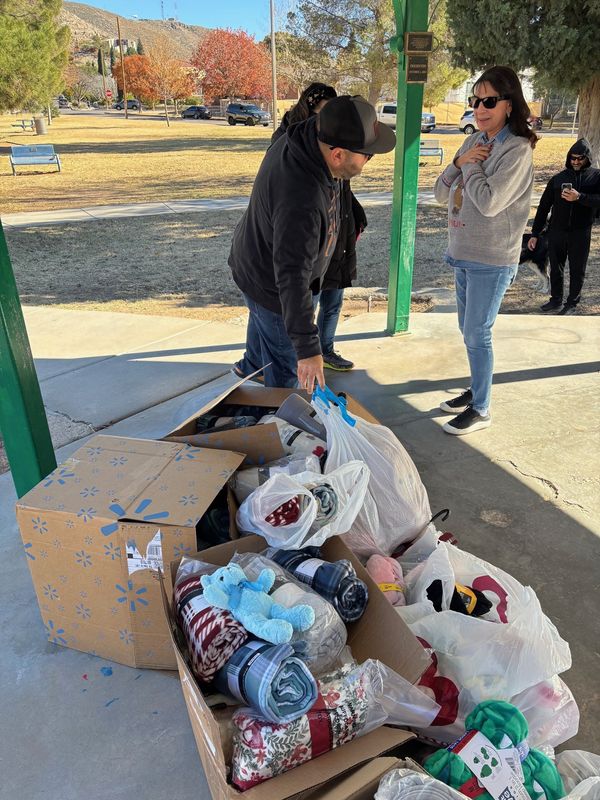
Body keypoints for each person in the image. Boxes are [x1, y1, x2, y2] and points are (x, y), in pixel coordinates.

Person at [229, 95, 395, 391]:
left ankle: (252, 367)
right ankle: (279, 423)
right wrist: (307, 349)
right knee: (289, 376)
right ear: (338, 154)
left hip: (254, 265)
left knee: (264, 338)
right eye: (366, 155)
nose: (369, 161)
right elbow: (292, 277)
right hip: (273, 288)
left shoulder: (308, 136)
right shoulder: (301, 200)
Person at [434, 66, 537, 435]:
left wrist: (471, 167)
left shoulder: (516, 149)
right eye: (475, 100)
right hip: (462, 251)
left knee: (478, 332)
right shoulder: (471, 141)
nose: (480, 108)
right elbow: (440, 192)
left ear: (509, 104)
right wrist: (459, 163)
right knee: (468, 329)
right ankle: (477, 388)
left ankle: (481, 408)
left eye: (489, 101)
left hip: (491, 258)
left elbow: (490, 202)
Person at [271, 83, 368, 371]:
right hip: (278, 273)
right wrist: (307, 350)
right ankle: (300, 361)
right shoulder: (303, 188)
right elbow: (293, 273)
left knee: (332, 299)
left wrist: (352, 220)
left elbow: (343, 194)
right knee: (287, 370)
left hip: (332, 239)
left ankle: (321, 351)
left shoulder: (324, 158)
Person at [529, 138, 600, 315]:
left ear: (587, 158)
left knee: (577, 269)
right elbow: (544, 207)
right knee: (556, 267)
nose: (576, 162)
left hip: (580, 232)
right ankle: (555, 300)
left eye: (580, 158)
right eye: (573, 158)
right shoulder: (558, 179)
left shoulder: (596, 177)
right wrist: (535, 233)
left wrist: (580, 197)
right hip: (556, 231)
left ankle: (572, 303)